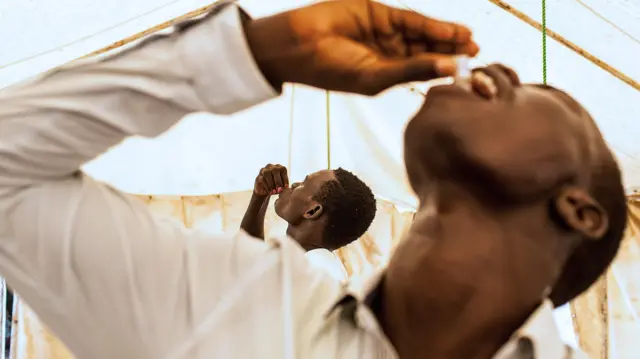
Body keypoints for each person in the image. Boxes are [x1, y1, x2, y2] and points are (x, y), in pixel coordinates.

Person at [0, 0, 619, 358]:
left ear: (579, 211)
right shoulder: (238, 301)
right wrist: (250, 53)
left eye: (551, 102)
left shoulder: (281, 287)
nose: (503, 71)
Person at [240, 164, 376, 281]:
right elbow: (249, 264)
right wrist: (260, 197)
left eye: (304, 184)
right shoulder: (309, 263)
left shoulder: (317, 268)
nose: (294, 184)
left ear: (312, 211)